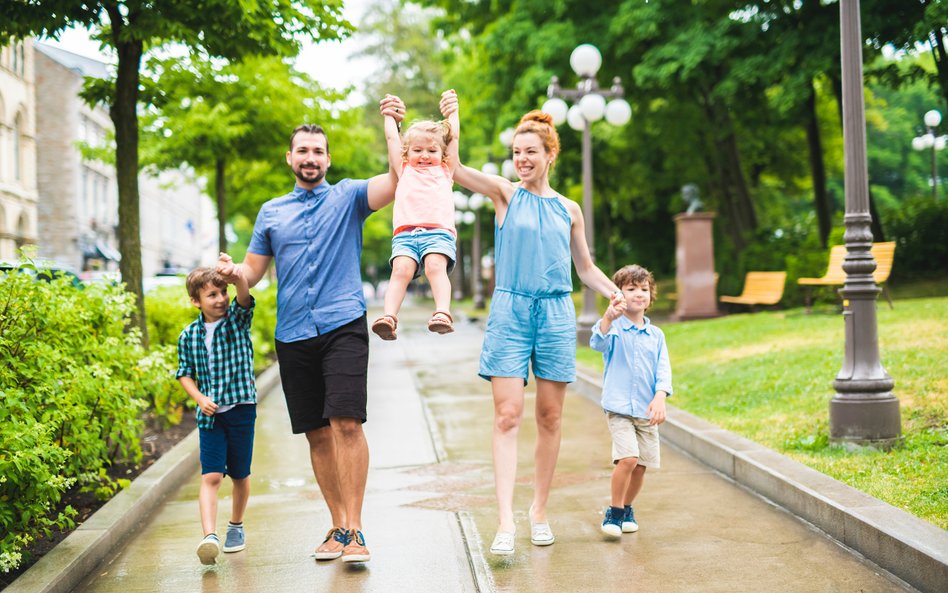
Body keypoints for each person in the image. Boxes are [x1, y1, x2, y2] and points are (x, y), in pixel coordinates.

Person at [217, 94, 406, 564]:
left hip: (343, 323)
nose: (310, 158)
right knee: (318, 434)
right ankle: (339, 526)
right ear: (290, 157)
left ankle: (357, 530)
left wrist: (391, 127)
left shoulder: (349, 196)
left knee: (346, 422)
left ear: (328, 158)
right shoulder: (271, 212)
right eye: (302, 151)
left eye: (318, 151)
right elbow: (253, 272)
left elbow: (399, 180)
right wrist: (232, 273)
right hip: (294, 332)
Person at [440, 90, 625, 555]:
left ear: (549, 155)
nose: (521, 160)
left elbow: (584, 268)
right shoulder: (505, 194)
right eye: (516, 153)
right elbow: (457, 171)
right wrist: (454, 123)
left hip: (557, 313)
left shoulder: (569, 209)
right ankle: (505, 521)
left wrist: (613, 292)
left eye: (530, 153)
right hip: (510, 311)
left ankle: (537, 511)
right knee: (507, 415)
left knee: (550, 416)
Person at [175, 261, 256, 565]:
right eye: (212, 295)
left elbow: (244, 299)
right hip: (210, 417)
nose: (221, 299)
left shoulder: (236, 320)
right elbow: (185, 372)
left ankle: (236, 525)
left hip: (240, 408)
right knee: (210, 475)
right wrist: (198, 398)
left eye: (223, 292)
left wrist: (237, 278)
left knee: (239, 473)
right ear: (195, 301)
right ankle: (209, 536)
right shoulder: (188, 336)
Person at [589, 264, 672, 538]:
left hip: (646, 411)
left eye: (644, 289)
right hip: (620, 408)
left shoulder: (657, 335)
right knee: (628, 458)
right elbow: (597, 343)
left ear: (651, 295)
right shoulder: (614, 328)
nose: (639, 294)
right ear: (619, 294)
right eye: (631, 289)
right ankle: (613, 512)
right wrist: (608, 318)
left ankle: (627, 507)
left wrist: (660, 396)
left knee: (642, 466)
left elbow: (663, 370)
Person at [370, 96, 460, 340]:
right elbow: (391, 138)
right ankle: (388, 317)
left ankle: (442, 312)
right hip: (405, 234)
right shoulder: (404, 169)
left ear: (442, 154)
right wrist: (389, 116)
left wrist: (453, 111)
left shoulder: (444, 170)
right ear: (406, 153)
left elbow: (455, 139)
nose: (424, 155)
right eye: (417, 150)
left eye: (432, 150)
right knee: (400, 269)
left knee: (434, 266)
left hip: (438, 232)